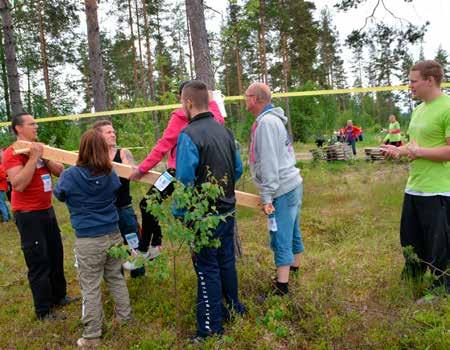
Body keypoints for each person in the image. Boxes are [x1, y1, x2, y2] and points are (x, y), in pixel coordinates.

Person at [175, 80, 245, 339]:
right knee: (226, 262)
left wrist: (182, 214)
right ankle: (233, 308)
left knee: (207, 269)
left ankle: (209, 328)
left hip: (204, 217)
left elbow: (183, 181)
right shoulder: (225, 132)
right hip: (227, 210)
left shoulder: (189, 135)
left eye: (182, 101)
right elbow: (237, 169)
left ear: (189, 102)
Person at [54, 129, 132, 348]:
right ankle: (125, 319)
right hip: (113, 233)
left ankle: (92, 335)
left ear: (82, 149)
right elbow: (116, 191)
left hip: (89, 239)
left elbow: (59, 194)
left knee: (90, 286)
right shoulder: (110, 173)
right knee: (115, 277)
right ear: (101, 149)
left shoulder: (70, 175)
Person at [129, 81, 224, 260]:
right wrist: (211, 102)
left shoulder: (180, 116)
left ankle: (148, 249)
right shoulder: (212, 115)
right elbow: (219, 121)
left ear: (186, 100)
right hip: (200, 174)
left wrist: (142, 169)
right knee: (151, 205)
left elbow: (163, 145)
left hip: (177, 172)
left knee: (148, 204)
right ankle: (153, 246)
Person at [381, 60, 450, 296]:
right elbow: (414, 145)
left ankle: (440, 289)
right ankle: (412, 278)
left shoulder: (448, 107)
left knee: (439, 245)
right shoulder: (419, 109)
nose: (409, 86)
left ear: (430, 81)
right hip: (415, 187)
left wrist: (418, 152)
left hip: (439, 190)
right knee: (410, 239)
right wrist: (398, 151)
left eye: (413, 81)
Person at [3, 112, 76, 320]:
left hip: (46, 210)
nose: (36, 126)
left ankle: (59, 296)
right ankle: (43, 310)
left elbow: (60, 170)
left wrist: (43, 155)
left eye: (36, 123)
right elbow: (18, 184)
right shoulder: (12, 153)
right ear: (19, 128)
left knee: (55, 254)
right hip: (28, 215)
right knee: (38, 260)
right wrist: (33, 158)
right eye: (31, 124)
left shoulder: (38, 147)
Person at [245, 82, 304, 296]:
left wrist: (267, 195)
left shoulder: (267, 123)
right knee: (293, 232)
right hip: (292, 184)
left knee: (280, 235)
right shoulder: (270, 120)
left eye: (247, 95)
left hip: (282, 189)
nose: (244, 99)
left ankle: (282, 288)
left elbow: (269, 162)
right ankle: (294, 271)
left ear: (257, 99)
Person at [92, 119, 145, 278]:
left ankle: (138, 273)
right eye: (108, 132)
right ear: (98, 137)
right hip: (105, 210)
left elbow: (131, 171)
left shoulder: (122, 152)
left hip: (124, 207)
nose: (113, 134)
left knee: (132, 240)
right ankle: (117, 276)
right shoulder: (93, 157)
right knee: (111, 245)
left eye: (114, 131)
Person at [0, 152, 10, 222]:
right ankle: (8, 216)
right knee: (2, 202)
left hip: (1, 188)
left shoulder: (1, 167)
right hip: (2, 187)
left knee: (1, 203)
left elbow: (3, 176)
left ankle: (5, 218)